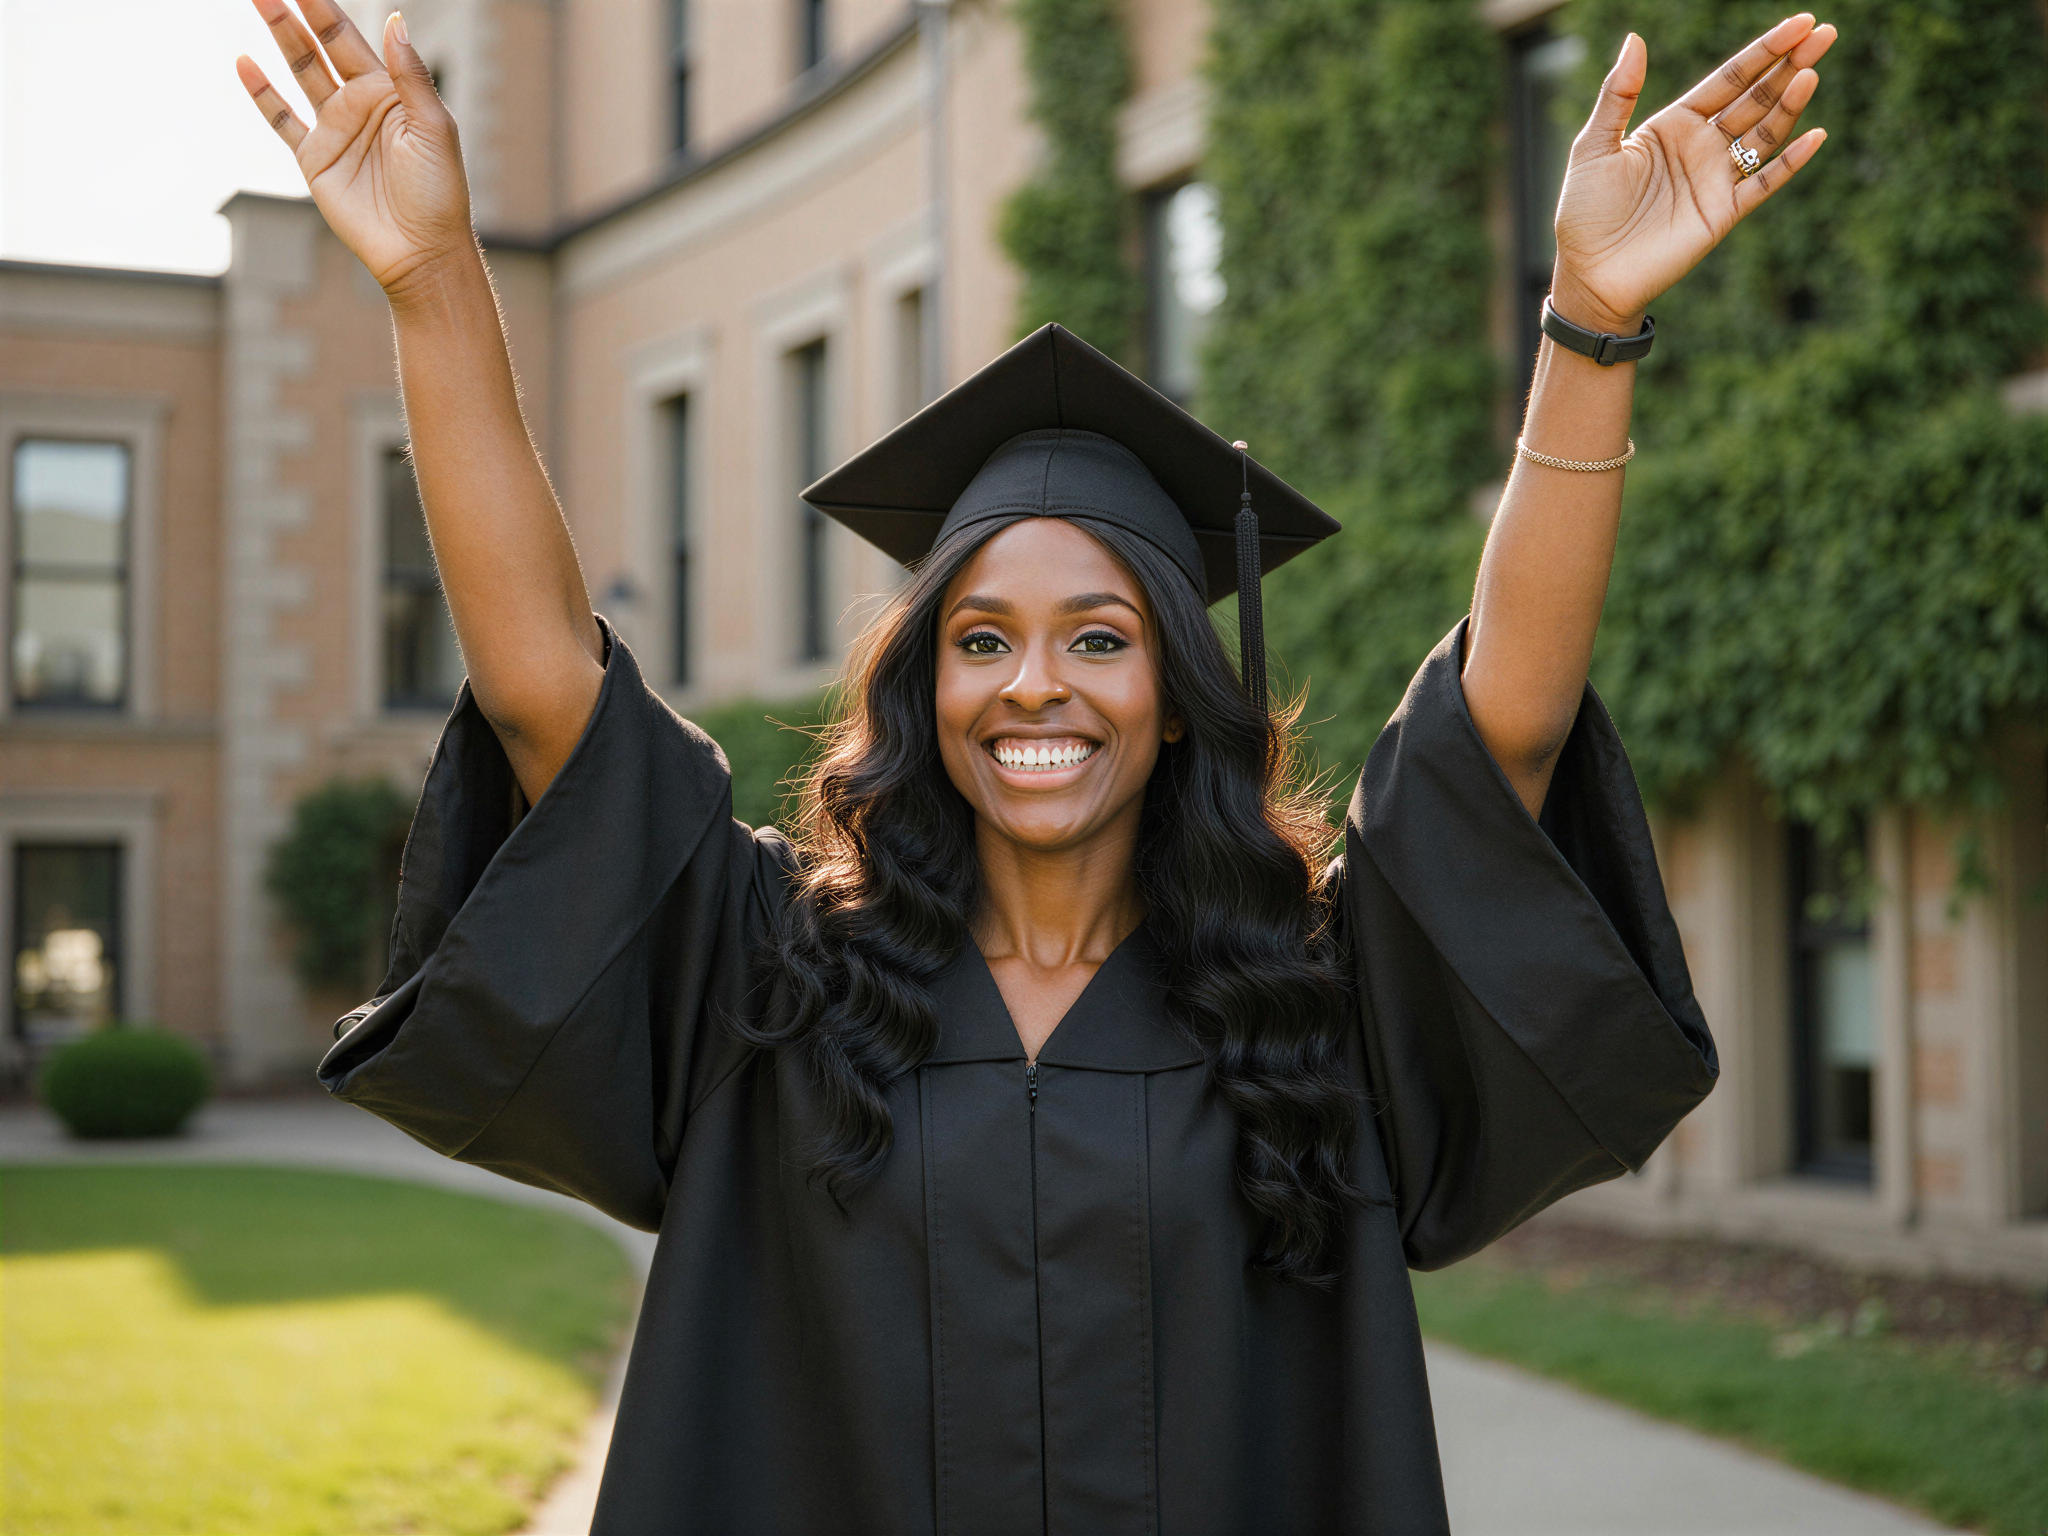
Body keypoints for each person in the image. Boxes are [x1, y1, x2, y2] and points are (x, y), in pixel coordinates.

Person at [237, 5, 1836, 1531]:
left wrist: (1593, 324)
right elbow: (542, 691)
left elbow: (1506, 728)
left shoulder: (1306, 1002)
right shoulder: (772, 980)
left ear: (1176, 684)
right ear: (924, 685)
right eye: (981, 639)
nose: (1035, 687)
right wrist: (438, 275)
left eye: (1099, 636)